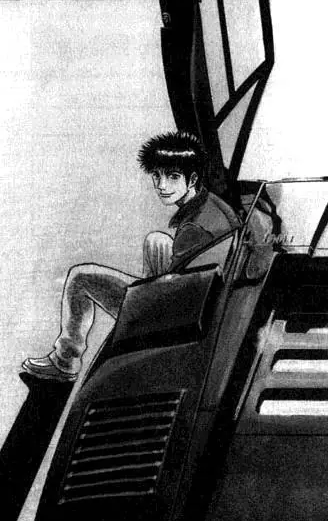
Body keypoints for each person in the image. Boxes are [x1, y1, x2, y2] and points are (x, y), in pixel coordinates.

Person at [22, 130, 240, 383]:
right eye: (157, 176)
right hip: (204, 288)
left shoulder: (194, 229)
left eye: (172, 177)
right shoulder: (211, 204)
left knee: (80, 277)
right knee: (156, 241)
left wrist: (144, 296)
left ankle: (65, 361)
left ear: (192, 179)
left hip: (181, 311)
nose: (162, 185)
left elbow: (178, 289)